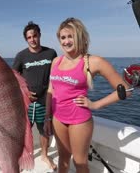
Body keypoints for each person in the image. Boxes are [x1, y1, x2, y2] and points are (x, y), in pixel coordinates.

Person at [44, 17, 132, 173]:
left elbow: (126, 90)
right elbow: (51, 89)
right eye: (63, 37)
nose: (66, 41)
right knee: (62, 158)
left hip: (79, 119)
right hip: (58, 117)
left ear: (79, 36)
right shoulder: (56, 61)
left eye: (70, 36)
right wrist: (47, 117)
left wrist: (96, 104)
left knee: (80, 163)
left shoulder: (93, 62)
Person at [12, 21, 57, 170]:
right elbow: (13, 77)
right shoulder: (21, 56)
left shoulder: (51, 53)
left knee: (44, 130)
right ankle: (21, 158)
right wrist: (24, 92)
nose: (32, 39)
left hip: (45, 101)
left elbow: (56, 77)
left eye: (35, 36)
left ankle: (44, 155)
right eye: (29, 37)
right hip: (26, 102)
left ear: (39, 35)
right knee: (23, 131)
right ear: (26, 39)